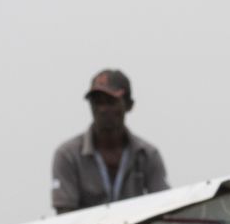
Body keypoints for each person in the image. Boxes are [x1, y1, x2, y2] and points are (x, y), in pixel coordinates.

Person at [50, 68, 169, 213]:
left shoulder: (147, 155)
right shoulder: (69, 155)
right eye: (97, 102)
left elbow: (165, 207)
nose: (102, 109)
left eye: (110, 102)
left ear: (129, 105)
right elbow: (65, 215)